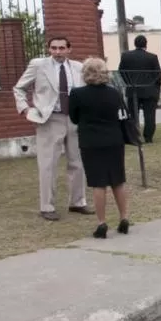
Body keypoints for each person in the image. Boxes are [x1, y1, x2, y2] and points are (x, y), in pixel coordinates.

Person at [12, 36, 93, 221]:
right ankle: (47, 206)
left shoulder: (78, 68)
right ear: (49, 49)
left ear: (68, 49)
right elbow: (19, 88)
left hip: (74, 119)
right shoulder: (38, 65)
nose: (57, 52)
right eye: (54, 48)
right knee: (48, 164)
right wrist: (25, 109)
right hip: (49, 119)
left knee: (77, 162)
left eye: (61, 48)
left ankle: (78, 202)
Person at [67, 57, 131, 239]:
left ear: (85, 74)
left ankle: (101, 222)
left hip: (91, 140)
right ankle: (124, 217)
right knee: (118, 180)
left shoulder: (77, 94)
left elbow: (74, 117)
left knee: (98, 182)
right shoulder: (114, 93)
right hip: (114, 139)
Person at [117, 34, 161, 144]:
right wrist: (157, 87)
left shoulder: (126, 56)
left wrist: (128, 82)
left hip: (132, 89)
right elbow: (158, 74)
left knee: (132, 115)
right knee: (150, 115)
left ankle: (134, 136)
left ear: (135, 44)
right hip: (149, 90)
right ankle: (148, 137)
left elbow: (121, 71)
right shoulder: (152, 57)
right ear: (145, 44)